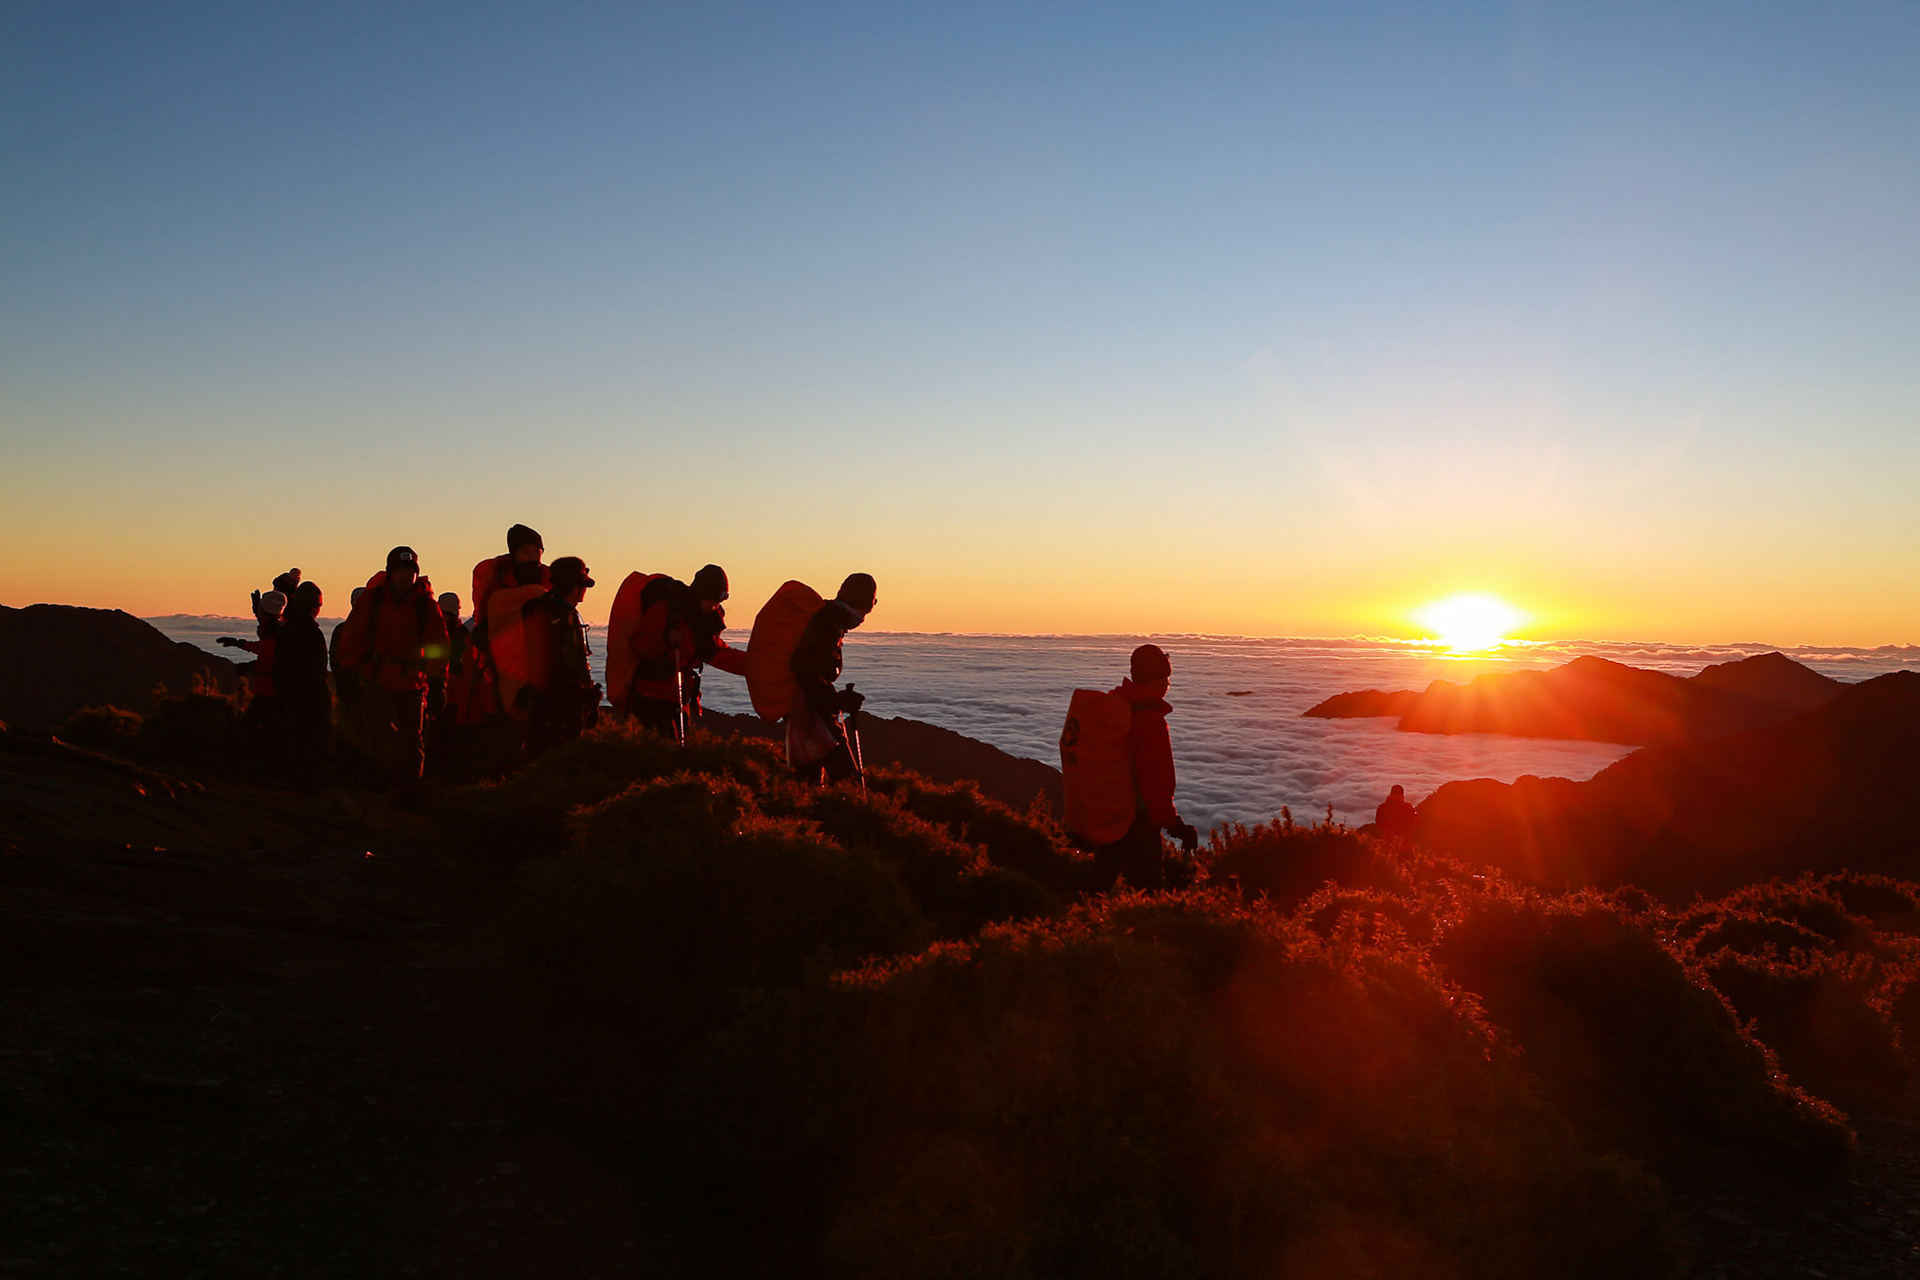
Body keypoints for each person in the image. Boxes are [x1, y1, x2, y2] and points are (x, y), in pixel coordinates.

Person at [336, 546, 450, 793]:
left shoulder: (425, 605)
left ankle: (408, 790)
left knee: (411, 740)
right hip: (378, 678)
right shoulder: (373, 600)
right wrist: (349, 673)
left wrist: (438, 682)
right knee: (380, 735)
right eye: (399, 569)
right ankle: (379, 786)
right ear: (390, 572)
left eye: (409, 570)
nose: (404, 575)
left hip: (412, 683)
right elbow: (354, 636)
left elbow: (437, 644)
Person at [1096, 644, 1200, 891]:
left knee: (1099, 887)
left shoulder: (1115, 707)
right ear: (1153, 680)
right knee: (1147, 894)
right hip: (1139, 823)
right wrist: (1173, 825)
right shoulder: (1149, 720)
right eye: (1164, 678)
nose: (1167, 684)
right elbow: (1154, 779)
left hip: (1108, 814)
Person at [626, 564, 748, 740]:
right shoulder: (668, 610)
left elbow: (718, 654)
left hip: (680, 697)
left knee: (677, 752)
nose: (714, 606)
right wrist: (666, 641)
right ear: (700, 593)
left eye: (718, 602)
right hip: (653, 697)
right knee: (661, 754)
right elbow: (639, 643)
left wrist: (756, 666)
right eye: (711, 600)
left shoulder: (704, 622)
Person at [787, 573, 877, 784]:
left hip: (805, 709)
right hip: (810, 712)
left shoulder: (826, 616)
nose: (862, 619)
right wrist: (835, 701)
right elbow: (804, 669)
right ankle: (841, 812)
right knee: (846, 780)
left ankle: (808, 811)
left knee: (809, 776)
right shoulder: (828, 623)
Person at [520, 557, 602, 757]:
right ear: (576, 586)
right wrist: (586, 696)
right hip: (561, 708)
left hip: (538, 704)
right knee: (560, 759)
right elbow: (572, 664)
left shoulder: (541, 610)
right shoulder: (563, 616)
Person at [467, 524, 550, 721]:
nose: (532, 557)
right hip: (505, 660)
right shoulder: (499, 583)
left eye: (536, 552)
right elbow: (488, 616)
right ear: (514, 554)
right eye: (526, 552)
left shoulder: (549, 579)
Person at [274, 581, 331, 782]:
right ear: (315, 606)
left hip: (288, 694)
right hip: (309, 697)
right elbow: (317, 670)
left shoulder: (287, 629)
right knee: (308, 740)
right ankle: (306, 780)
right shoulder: (311, 632)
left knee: (291, 736)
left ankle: (289, 777)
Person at [219, 589, 285, 755]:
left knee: (250, 728)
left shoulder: (271, 633)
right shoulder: (276, 630)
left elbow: (267, 662)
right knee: (270, 731)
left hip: (268, 692)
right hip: (275, 691)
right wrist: (240, 644)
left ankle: (249, 764)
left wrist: (247, 666)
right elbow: (264, 650)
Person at [329, 587, 367, 701]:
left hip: (346, 688)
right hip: (366, 689)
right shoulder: (378, 629)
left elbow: (334, 659)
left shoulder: (341, 629)